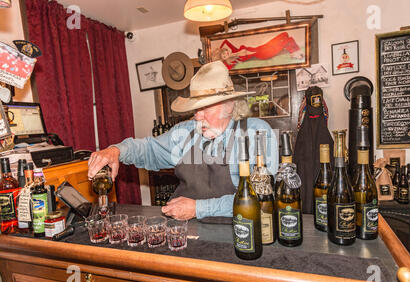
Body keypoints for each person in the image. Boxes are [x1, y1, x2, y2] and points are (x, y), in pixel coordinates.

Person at [88, 61, 279, 220]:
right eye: (196, 109)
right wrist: (117, 150)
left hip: (239, 230)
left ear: (228, 106)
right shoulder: (184, 132)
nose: (197, 116)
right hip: (183, 230)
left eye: (205, 108)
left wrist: (199, 208)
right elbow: (149, 149)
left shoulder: (256, 133)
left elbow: (262, 195)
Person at [212, 32, 301, 70]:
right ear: (224, 60)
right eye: (224, 56)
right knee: (287, 40)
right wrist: (220, 61)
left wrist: (219, 50)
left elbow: (225, 41)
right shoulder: (234, 59)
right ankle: (294, 51)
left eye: (224, 53)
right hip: (262, 54)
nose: (226, 54)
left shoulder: (234, 50)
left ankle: (292, 50)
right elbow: (227, 68)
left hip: (261, 48)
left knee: (284, 34)